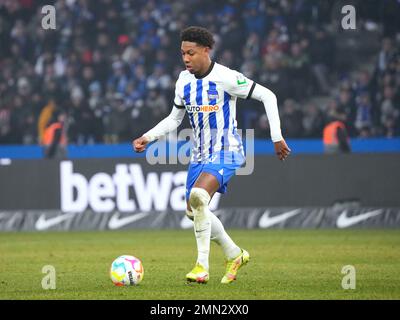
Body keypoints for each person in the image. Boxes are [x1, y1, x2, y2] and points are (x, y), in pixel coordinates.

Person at [133, 26, 290, 284]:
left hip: (228, 150)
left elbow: (268, 96)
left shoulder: (226, 78)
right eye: (182, 53)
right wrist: (148, 137)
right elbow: (175, 118)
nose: (185, 59)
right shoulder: (183, 81)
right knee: (193, 211)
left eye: (191, 53)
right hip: (199, 155)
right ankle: (234, 254)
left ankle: (201, 267)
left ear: (206, 50)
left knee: (198, 197)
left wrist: (277, 137)